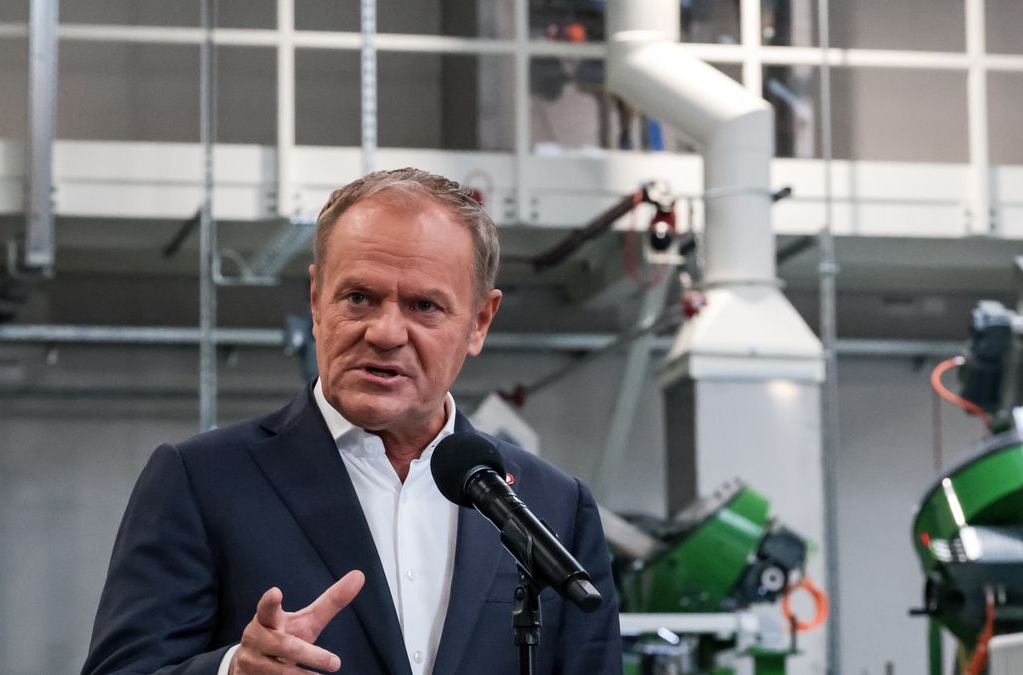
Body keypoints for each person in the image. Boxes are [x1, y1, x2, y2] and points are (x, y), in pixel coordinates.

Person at [80, 168, 622, 675]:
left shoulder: (554, 506)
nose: (385, 333)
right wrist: (232, 671)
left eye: (424, 306)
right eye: (359, 297)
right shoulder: (201, 481)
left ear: (479, 322)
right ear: (317, 300)